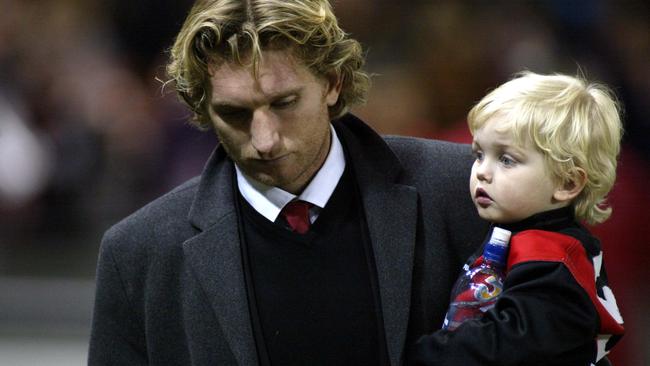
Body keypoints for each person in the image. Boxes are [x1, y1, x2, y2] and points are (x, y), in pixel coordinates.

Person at [88, 1, 487, 365]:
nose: (264, 140)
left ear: (332, 83)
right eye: (234, 113)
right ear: (202, 109)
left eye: (283, 103)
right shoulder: (139, 255)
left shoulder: (464, 190)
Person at [408, 72, 625, 365]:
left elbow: (508, 344)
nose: (482, 171)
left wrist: (424, 354)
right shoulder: (519, 235)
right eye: (479, 154)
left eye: (507, 159)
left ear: (567, 184)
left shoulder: (554, 257)